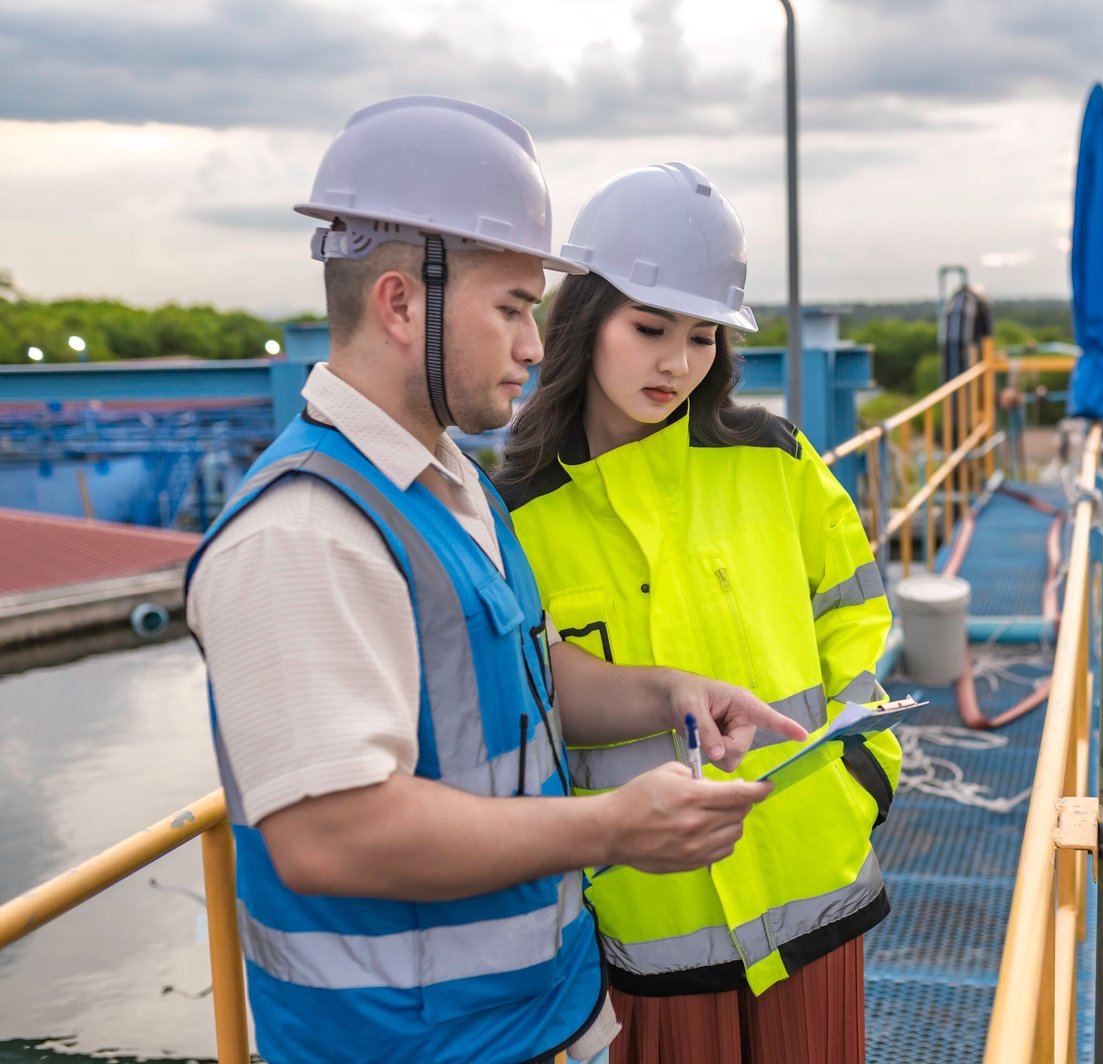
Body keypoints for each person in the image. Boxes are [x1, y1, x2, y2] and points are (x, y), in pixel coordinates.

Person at [185, 99, 805, 1064]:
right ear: (401, 302)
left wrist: (668, 692)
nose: (531, 343)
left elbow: (523, 675)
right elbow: (332, 837)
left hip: (528, 1021)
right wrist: (611, 828)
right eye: (513, 307)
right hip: (405, 1046)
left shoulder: (454, 486)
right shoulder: (306, 532)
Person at [494, 163, 899, 1064]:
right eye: (649, 328)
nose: (677, 363)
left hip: (811, 873)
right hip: (649, 910)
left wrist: (862, 776)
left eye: (703, 337)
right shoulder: (516, 514)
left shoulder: (772, 458)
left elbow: (856, 615)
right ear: (585, 319)